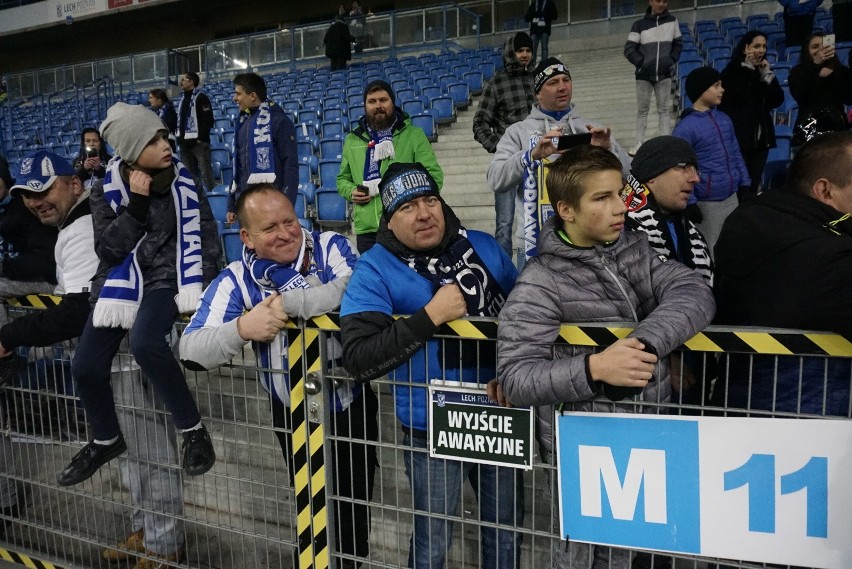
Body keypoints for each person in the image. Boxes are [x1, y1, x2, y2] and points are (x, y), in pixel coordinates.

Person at [496, 145, 714, 569]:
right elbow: (517, 379)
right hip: (584, 455)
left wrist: (643, 346)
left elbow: (695, 293)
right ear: (566, 210)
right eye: (602, 198)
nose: (620, 208)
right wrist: (595, 368)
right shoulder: (541, 280)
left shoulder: (635, 249)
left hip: (646, 438)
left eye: (620, 193)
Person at [0, 150, 186, 567]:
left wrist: (8, 335)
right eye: (26, 195)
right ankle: (149, 530)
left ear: (74, 182)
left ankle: (164, 546)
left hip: (126, 357)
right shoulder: (74, 223)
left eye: (43, 190)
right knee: (134, 456)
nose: (35, 202)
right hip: (112, 359)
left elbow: (78, 311)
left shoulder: (84, 226)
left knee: (150, 454)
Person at [180, 184, 377, 569]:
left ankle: (351, 562)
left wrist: (290, 303)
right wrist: (242, 327)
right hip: (290, 412)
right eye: (270, 228)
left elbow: (355, 285)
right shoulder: (236, 278)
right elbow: (189, 349)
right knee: (309, 500)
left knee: (353, 505)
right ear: (246, 237)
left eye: (290, 221)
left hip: (349, 403)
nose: (287, 233)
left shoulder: (330, 245)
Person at [340, 163, 524, 569]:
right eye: (407, 207)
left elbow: (528, 317)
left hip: (502, 416)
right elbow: (358, 359)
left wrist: (517, 372)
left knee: (508, 532)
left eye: (429, 200)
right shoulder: (374, 267)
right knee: (433, 542)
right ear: (389, 219)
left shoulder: (484, 247)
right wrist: (429, 317)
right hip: (431, 427)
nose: (424, 213)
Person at [58, 103, 220, 487]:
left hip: (166, 278)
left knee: (147, 343)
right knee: (84, 365)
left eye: (164, 135)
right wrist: (138, 205)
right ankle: (106, 438)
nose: (165, 144)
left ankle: (194, 432)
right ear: (130, 151)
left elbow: (207, 233)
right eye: (153, 140)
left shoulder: (184, 180)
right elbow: (109, 251)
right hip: (119, 281)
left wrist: (206, 282)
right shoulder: (104, 191)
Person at [713, 131, 852, 416]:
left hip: (737, 410)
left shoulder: (753, 221)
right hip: (808, 423)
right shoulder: (827, 256)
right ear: (825, 190)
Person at [487, 57, 631, 267]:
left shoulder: (591, 129)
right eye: (553, 83)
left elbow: (627, 175)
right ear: (537, 92)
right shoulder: (517, 132)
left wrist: (609, 150)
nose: (562, 87)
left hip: (588, 239)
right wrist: (531, 156)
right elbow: (495, 179)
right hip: (534, 243)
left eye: (566, 80)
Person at [336, 81, 443, 253]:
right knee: (374, 279)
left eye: (383, 100)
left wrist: (407, 199)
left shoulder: (413, 135)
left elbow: (433, 176)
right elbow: (342, 179)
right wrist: (351, 191)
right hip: (368, 229)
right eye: (372, 101)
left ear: (392, 103)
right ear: (365, 106)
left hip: (406, 225)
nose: (378, 106)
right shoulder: (352, 140)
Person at [672, 66, 750, 256]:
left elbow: (735, 152)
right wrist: (690, 202)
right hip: (707, 203)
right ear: (701, 90)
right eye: (716, 85)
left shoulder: (724, 118)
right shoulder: (685, 128)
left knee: (734, 246)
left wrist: (745, 183)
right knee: (711, 250)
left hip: (732, 196)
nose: (722, 90)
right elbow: (681, 169)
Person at [473, 31, 536, 257]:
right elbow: (479, 123)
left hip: (539, 162)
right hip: (509, 164)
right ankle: (505, 279)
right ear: (511, 53)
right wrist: (499, 147)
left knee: (537, 220)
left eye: (528, 50)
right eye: (520, 50)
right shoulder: (497, 82)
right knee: (505, 224)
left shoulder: (538, 79)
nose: (525, 55)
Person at [621, 135, 713, 285]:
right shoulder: (621, 229)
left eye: (695, 169)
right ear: (651, 174)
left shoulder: (689, 229)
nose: (695, 178)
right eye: (684, 167)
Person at [718, 31, 785, 198]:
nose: (760, 50)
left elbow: (777, 100)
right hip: (740, 138)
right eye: (756, 46)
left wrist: (767, 76)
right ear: (745, 48)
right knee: (741, 184)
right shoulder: (732, 71)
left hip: (762, 139)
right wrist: (747, 71)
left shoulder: (762, 72)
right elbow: (735, 97)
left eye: (763, 46)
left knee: (753, 184)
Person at [227, 72, 298, 223]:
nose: (235, 98)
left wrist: (288, 201)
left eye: (238, 94)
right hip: (245, 204)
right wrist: (231, 203)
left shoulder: (279, 121)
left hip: (272, 205)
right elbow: (237, 166)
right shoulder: (241, 124)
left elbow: (290, 164)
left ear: (252, 96)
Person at [0, 154, 57, 327]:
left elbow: (48, 259)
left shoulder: (27, 205)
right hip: (17, 275)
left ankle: (4, 351)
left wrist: (4, 267)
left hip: (48, 279)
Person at [623, 0, 682, 154]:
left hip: (664, 74)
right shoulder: (639, 24)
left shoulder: (672, 21)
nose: (661, 4)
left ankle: (666, 144)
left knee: (664, 110)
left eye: (665, 1)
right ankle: (639, 144)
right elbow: (629, 49)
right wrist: (641, 63)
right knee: (642, 111)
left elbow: (678, 44)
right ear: (651, 2)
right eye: (658, 0)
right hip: (643, 75)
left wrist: (670, 60)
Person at [789, 33, 852, 147]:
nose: (819, 50)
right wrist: (815, 67)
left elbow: (848, 98)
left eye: (823, 46)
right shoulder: (797, 72)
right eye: (814, 47)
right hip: (808, 129)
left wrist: (833, 76)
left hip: (837, 129)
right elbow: (800, 95)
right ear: (806, 51)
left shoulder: (840, 71)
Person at [176, 71, 215, 192]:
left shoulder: (201, 97)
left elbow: (208, 119)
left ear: (191, 82)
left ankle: (212, 200)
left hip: (198, 144)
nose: (181, 82)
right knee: (189, 176)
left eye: (184, 79)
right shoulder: (182, 99)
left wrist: (199, 139)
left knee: (205, 174)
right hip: (184, 145)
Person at [524, 0, 558, 65]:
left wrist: (545, 17)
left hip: (544, 29)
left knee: (544, 47)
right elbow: (527, 17)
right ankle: (532, 64)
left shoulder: (549, 3)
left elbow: (555, 15)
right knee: (533, 48)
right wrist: (534, 16)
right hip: (535, 30)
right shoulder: (534, 4)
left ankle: (544, 64)